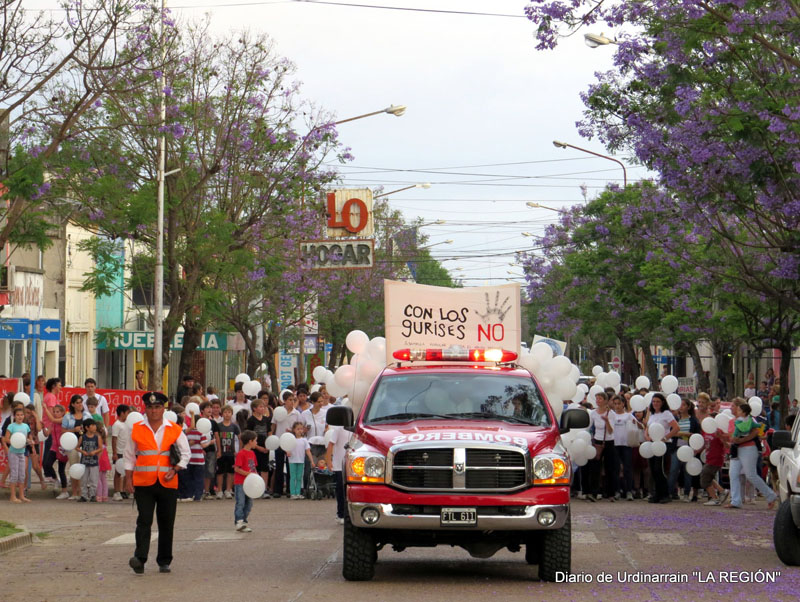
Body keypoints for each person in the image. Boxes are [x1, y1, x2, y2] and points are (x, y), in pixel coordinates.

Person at [124, 391, 190, 575]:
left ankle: (164, 560)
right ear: (145, 409)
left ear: (164, 408)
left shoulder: (174, 429)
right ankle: (140, 558)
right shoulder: (136, 428)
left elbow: (186, 454)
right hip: (144, 483)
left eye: (158, 407)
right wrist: (128, 479)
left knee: (166, 522)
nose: (154, 411)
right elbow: (129, 456)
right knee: (144, 520)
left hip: (168, 483)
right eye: (150, 407)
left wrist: (175, 469)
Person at [725, 402, 777, 510]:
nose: (733, 409)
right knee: (733, 473)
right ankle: (736, 500)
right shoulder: (735, 421)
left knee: (750, 475)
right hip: (737, 449)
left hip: (748, 448)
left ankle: (770, 495)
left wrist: (741, 440)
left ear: (743, 411)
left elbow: (755, 432)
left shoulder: (749, 420)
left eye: (736, 407)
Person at [645, 393, 679, 504]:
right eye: (654, 401)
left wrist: (665, 437)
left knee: (660, 469)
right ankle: (657, 494)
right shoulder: (652, 414)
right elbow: (648, 427)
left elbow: (676, 428)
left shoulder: (666, 414)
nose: (655, 403)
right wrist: (647, 436)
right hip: (652, 443)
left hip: (663, 445)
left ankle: (665, 494)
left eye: (658, 401)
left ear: (662, 402)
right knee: (653, 470)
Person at [271, 391, 300, 498]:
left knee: (290, 465)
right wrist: (271, 435)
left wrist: (293, 431)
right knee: (278, 465)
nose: (292, 402)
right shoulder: (278, 411)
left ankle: (289, 488)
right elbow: (273, 425)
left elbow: (298, 427)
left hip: (290, 442)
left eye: (293, 400)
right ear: (284, 401)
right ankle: (277, 490)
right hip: (279, 440)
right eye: (289, 400)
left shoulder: (296, 413)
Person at [4, 406, 33, 503]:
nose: (20, 417)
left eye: (21, 415)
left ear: (24, 416)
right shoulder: (11, 426)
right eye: (18, 415)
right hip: (13, 452)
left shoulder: (26, 426)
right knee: (14, 474)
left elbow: (28, 438)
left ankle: (21, 496)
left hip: (22, 452)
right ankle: (12, 496)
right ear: (14, 416)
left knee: (22, 474)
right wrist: (14, 442)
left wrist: (30, 442)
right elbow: (6, 439)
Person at [246, 398, 272, 499]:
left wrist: (269, 445)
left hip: (265, 448)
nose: (263, 408)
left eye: (264, 407)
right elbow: (248, 436)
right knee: (254, 469)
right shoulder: (251, 420)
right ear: (254, 408)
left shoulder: (266, 420)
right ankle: (253, 489)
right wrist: (257, 447)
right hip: (254, 448)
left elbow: (269, 433)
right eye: (260, 407)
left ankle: (264, 489)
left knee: (265, 469)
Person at [233, 430, 258, 532]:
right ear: (250, 441)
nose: (256, 443)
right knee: (241, 502)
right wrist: (249, 474)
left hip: (250, 484)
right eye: (255, 440)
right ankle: (239, 521)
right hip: (240, 483)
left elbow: (253, 468)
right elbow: (237, 468)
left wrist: (256, 477)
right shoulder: (241, 454)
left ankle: (244, 521)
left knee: (249, 503)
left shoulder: (252, 453)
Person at [325, 425, 350, 524]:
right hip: (339, 465)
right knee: (340, 490)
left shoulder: (355, 427)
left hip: (352, 464)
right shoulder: (338, 428)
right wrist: (328, 460)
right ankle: (340, 514)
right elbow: (331, 444)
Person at [216, 405, 240, 499]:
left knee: (230, 472)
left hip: (231, 452)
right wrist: (218, 450)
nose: (227, 414)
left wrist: (239, 451)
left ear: (232, 414)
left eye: (229, 412)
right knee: (220, 472)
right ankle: (219, 490)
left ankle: (228, 490)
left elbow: (240, 437)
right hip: (221, 452)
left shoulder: (234, 426)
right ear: (222, 414)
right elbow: (216, 438)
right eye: (225, 412)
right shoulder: (219, 426)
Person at [198, 401, 221, 499]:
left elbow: (217, 436)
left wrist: (219, 450)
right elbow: (196, 436)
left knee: (210, 470)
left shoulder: (213, 423)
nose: (210, 409)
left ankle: (207, 491)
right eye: (207, 408)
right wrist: (200, 447)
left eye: (210, 407)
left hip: (211, 450)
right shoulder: (198, 421)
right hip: (200, 450)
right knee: (200, 471)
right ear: (202, 410)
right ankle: (199, 490)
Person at [77, 418, 103, 502]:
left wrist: (94, 452)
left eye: (94, 425)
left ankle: (93, 495)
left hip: (94, 461)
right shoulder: (82, 437)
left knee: (94, 479)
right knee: (83, 479)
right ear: (87, 428)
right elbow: (77, 447)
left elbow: (100, 448)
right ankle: (83, 495)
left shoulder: (97, 437)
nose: (94, 427)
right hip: (84, 462)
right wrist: (83, 451)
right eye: (92, 426)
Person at [287, 421, 313, 499]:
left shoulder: (304, 440)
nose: (300, 431)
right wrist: (287, 451)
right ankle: (292, 493)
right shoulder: (291, 439)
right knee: (293, 477)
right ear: (294, 430)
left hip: (301, 461)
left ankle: (298, 493)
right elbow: (286, 447)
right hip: (292, 461)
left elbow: (308, 451)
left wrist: (312, 461)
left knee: (299, 477)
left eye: (301, 429)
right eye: (298, 429)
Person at [111, 405, 131, 501]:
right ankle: (116, 491)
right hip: (119, 451)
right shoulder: (117, 424)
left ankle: (123, 490)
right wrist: (114, 453)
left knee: (127, 471)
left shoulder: (129, 424)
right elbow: (114, 439)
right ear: (122, 413)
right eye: (128, 413)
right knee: (118, 472)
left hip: (128, 451)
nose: (129, 415)